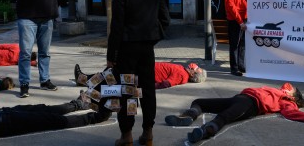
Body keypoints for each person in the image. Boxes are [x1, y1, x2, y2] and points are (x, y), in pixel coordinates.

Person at [107, 0, 170, 146]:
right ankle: (148, 133)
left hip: (126, 51)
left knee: (128, 91)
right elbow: (165, 20)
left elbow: (116, 26)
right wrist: (151, 38)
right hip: (146, 50)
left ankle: (127, 135)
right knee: (148, 90)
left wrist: (111, 55)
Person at [164, 82, 304, 143]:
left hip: (251, 104)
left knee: (224, 117)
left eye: (292, 88)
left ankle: (204, 132)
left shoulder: (287, 100)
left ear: (294, 95)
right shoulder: (282, 92)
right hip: (240, 98)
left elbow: (292, 113)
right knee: (200, 102)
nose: (287, 86)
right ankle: (188, 116)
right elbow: (286, 85)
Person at [13, 0, 68, 98]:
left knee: (45, 53)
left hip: (47, 18)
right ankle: (24, 84)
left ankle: (45, 81)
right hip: (27, 18)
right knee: (25, 53)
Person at [0, 91, 111, 142]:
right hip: (2, 124)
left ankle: (79, 104)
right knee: (49, 120)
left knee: (44, 109)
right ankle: (97, 117)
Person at [73, 62, 207, 89]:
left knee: (112, 75)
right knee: (111, 74)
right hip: (142, 69)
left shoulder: (181, 75)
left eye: (197, 69)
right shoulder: (182, 70)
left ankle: (83, 79)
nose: (195, 66)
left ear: (193, 74)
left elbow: (167, 83)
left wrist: (149, 86)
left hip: (142, 74)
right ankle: (84, 79)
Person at [223, 0, 247, 76]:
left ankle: (241, 66)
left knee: (242, 44)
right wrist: (240, 22)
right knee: (235, 45)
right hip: (235, 21)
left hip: (243, 19)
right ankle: (234, 68)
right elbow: (231, 8)